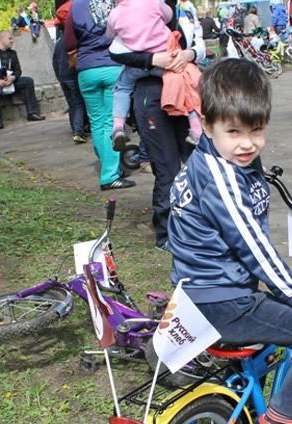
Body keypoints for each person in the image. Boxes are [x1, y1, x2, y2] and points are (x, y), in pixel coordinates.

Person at [167, 59, 292, 424]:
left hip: (196, 289)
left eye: (257, 130)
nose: (247, 144)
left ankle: (246, 402)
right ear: (206, 122)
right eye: (233, 132)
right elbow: (250, 243)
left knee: (271, 330)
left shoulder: (215, 160)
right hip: (224, 298)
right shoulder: (222, 176)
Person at [109, 0, 204, 249]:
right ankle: (166, 234)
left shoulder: (182, 11)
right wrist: (154, 59)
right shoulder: (142, 7)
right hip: (151, 95)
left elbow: (200, 46)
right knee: (167, 167)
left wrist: (188, 54)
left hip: (183, 92)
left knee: (195, 162)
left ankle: (195, 224)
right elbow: (115, 51)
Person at [106, 0, 203, 150]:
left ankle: (118, 126)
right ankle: (196, 129)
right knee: (188, 86)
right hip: (166, 60)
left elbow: (110, 35)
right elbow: (168, 15)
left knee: (122, 88)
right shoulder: (154, 3)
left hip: (136, 65)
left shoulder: (114, 14)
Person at [65, 0, 135, 190]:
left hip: (87, 71)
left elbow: (69, 42)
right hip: (114, 66)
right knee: (111, 123)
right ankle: (109, 176)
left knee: (97, 122)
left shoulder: (76, 6)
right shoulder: (116, 2)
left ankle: (108, 165)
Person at [0, 30, 45, 129]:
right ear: (1, 39)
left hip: (9, 81)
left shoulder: (12, 54)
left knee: (28, 81)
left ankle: (32, 113)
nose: (12, 41)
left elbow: (18, 70)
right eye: (10, 38)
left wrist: (13, 78)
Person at [55, 0, 89, 144]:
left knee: (72, 104)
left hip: (63, 77)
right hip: (72, 76)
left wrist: (59, 77)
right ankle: (78, 131)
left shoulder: (59, 43)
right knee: (78, 103)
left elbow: (55, 61)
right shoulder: (75, 42)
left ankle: (74, 127)